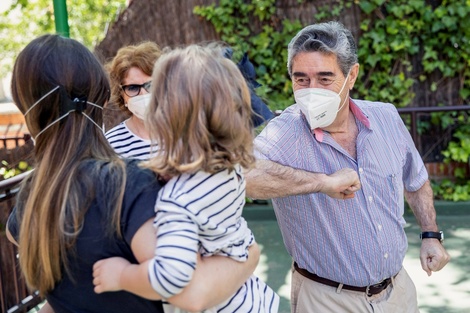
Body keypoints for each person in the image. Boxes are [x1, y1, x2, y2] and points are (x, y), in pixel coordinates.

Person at [5, 34, 262, 313]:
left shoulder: (31, 201)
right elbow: (189, 292)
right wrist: (249, 256)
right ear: (106, 95)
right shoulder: (127, 183)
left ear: (24, 105)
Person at [244, 21, 451, 312]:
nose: (311, 90)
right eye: (301, 79)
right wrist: (322, 182)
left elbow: (415, 180)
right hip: (327, 299)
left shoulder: (386, 118)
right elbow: (242, 175)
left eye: (325, 79)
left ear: (351, 75)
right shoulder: (285, 133)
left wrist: (431, 234)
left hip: (398, 291)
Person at [92, 44, 279, 313]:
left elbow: (172, 277)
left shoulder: (178, 201)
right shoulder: (226, 168)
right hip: (251, 300)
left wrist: (122, 276)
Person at [104, 41, 161, 160]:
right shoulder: (110, 145)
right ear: (122, 95)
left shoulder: (184, 134)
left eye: (150, 85)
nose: (143, 94)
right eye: (133, 88)